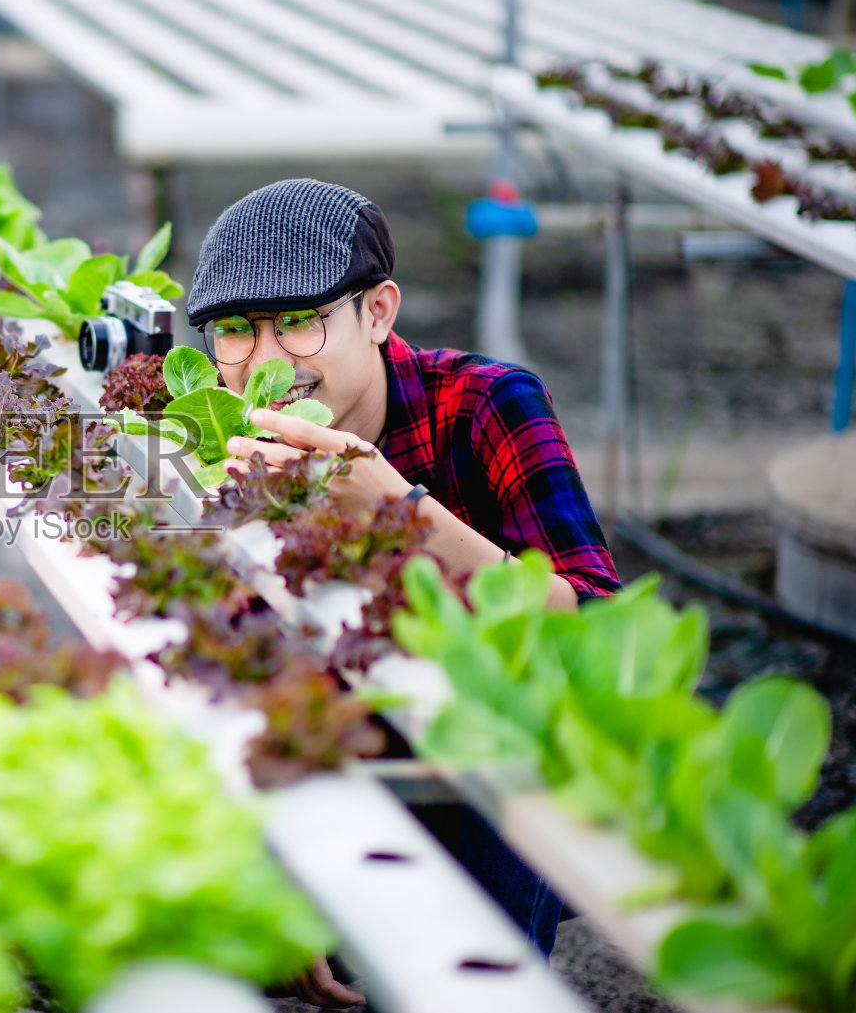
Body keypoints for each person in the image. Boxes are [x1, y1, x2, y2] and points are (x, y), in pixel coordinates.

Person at [185, 179, 621, 1006]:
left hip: (497, 768)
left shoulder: (490, 403)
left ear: (379, 313)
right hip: (345, 752)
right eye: (237, 331)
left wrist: (397, 507)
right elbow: (233, 659)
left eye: (303, 321)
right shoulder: (222, 440)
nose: (268, 361)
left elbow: (594, 625)